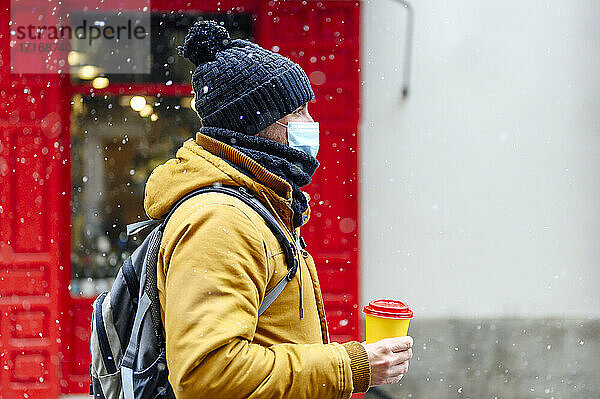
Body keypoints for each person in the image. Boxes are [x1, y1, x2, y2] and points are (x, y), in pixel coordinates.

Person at [144, 20, 413, 398]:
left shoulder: (257, 204)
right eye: (299, 111)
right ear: (259, 123)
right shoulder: (220, 219)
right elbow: (208, 375)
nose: (312, 123)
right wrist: (351, 365)